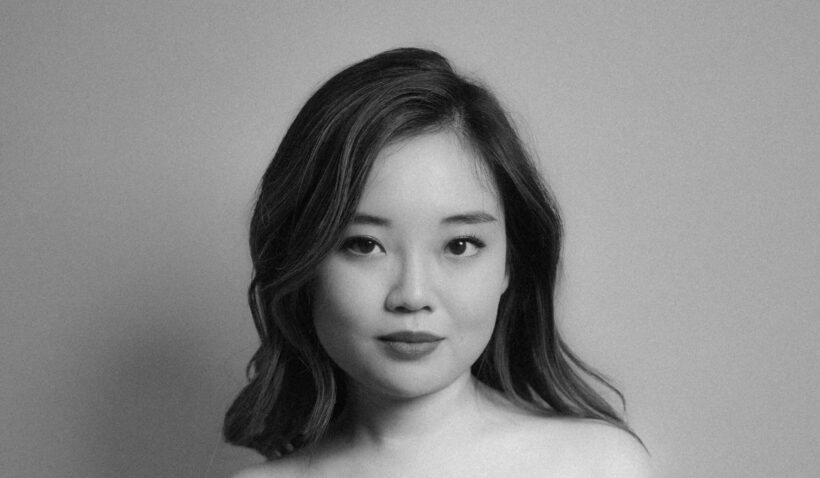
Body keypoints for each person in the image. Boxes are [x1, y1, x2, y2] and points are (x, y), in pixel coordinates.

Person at [225, 47, 650, 477]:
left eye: (460, 245)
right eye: (364, 244)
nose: (413, 296)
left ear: (510, 263)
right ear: (302, 263)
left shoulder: (598, 466)